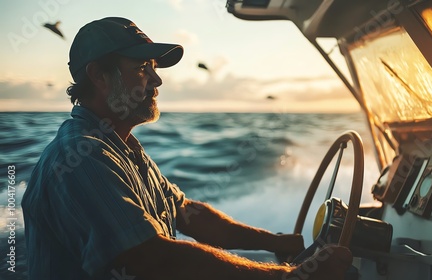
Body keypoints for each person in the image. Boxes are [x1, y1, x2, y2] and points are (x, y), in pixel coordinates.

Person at [21, 17, 352, 280]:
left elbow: (190, 216)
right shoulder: (81, 155)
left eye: (154, 67)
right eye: (141, 68)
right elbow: (155, 260)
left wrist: (276, 243)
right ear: (99, 76)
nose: (156, 80)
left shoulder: (122, 147)